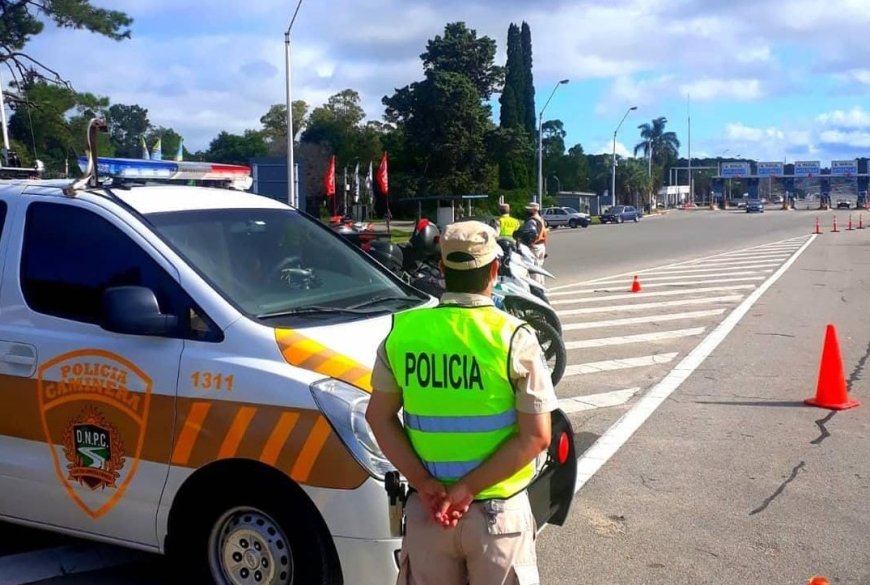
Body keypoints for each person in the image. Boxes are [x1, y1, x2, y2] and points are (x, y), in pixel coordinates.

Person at [365, 220, 558, 585]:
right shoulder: (515, 338)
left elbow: (379, 417)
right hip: (497, 518)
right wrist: (466, 490)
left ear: (441, 268)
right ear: (495, 270)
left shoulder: (403, 333)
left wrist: (424, 483)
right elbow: (536, 437)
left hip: (429, 513)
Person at [523, 202, 548, 285]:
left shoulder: (532, 221)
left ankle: (536, 287)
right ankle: (541, 285)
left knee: (534, 269)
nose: (527, 211)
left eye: (529, 210)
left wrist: (530, 244)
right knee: (539, 267)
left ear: (533, 210)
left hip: (534, 246)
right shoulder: (541, 219)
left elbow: (529, 234)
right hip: (541, 245)